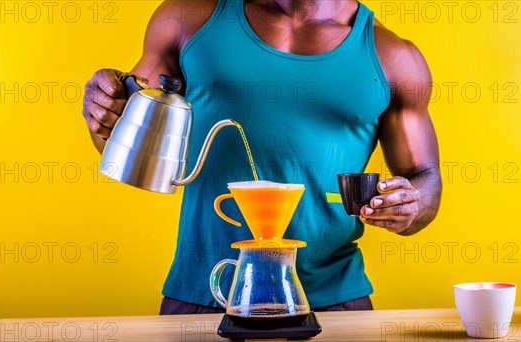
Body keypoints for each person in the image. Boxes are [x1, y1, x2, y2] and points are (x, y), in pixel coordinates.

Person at [82, 0, 442, 314]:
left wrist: (410, 203)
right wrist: (105, 113)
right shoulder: (187, 18)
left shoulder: (392, 57)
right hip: (205, 291)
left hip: (332, 298)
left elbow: (425, 178)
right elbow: (128, 145)